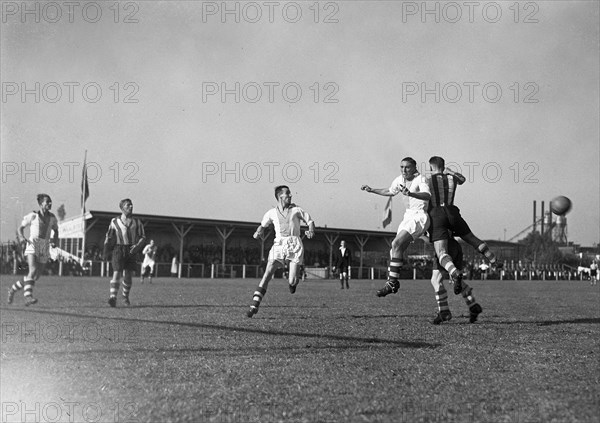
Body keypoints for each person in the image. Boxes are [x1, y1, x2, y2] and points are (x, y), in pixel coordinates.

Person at [427, 156, 501, 295]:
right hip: (452, 212)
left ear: (431, 167)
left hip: (437, 214)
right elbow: (462, 179)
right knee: (471, 238)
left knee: (441, 252)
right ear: (444, 166)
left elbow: (424, 199)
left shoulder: (427, 181)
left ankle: (454, 273)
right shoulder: (451, 178)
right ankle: (493, 259)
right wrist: (450, 172)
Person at [361, 157, 431, 297]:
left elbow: (427, 195)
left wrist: (410, 193)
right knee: (395, 249)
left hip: (419, 216)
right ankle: (394, 282)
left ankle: (391, 282)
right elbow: (390, 191)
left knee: (396, 243)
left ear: (415, 168)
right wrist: (371, 190)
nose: (404, 170)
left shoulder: (421, 179)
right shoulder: (400, 179)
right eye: (401, 167)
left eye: (407, 167)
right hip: (408, 217)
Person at [246, 185, 315, 318]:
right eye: (287, 194)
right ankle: (254, 305)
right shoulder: (271, 213)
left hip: (294, 244)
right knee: (267, 273)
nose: (290, 195)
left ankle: (293, 283)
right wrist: (258, 232)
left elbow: (310, 220)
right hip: (278, 244)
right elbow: (263, 225)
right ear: (280, 196)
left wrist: (311, 230)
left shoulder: (296, 210)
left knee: (292, 280)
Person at [7, 194, 59, 306]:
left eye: (50, 202)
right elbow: (20, 228)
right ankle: (28, 297)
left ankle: (12, 290)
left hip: (44, 247)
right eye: (47, 202)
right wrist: (21, 237)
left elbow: (56, 230)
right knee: (33, 270)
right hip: (33, 244)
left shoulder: (52, 218)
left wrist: (55, 240)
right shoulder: (33, 216)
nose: (50, 204)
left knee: (35, 276)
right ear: (41, 204)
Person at [430, 234, 482, 324]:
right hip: (455, 245)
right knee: (456, 280)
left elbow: (431, 237)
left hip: (443, 246)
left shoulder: (430, 219)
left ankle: (444, 311)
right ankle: (473, 305)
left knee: (436, 280)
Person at [103, 199, 146, 307]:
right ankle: (113, 297)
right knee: (117, 272)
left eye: (132, 205)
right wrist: (105, 251)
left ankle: (125, 296)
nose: (131, 207)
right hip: (119, 249)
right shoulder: (114, 221)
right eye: (128, 205)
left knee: (128, 275)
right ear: (122, 208)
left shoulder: (137, 222)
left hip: (132, 250)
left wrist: (137, 246)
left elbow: (143, 237)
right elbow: (108, 237)